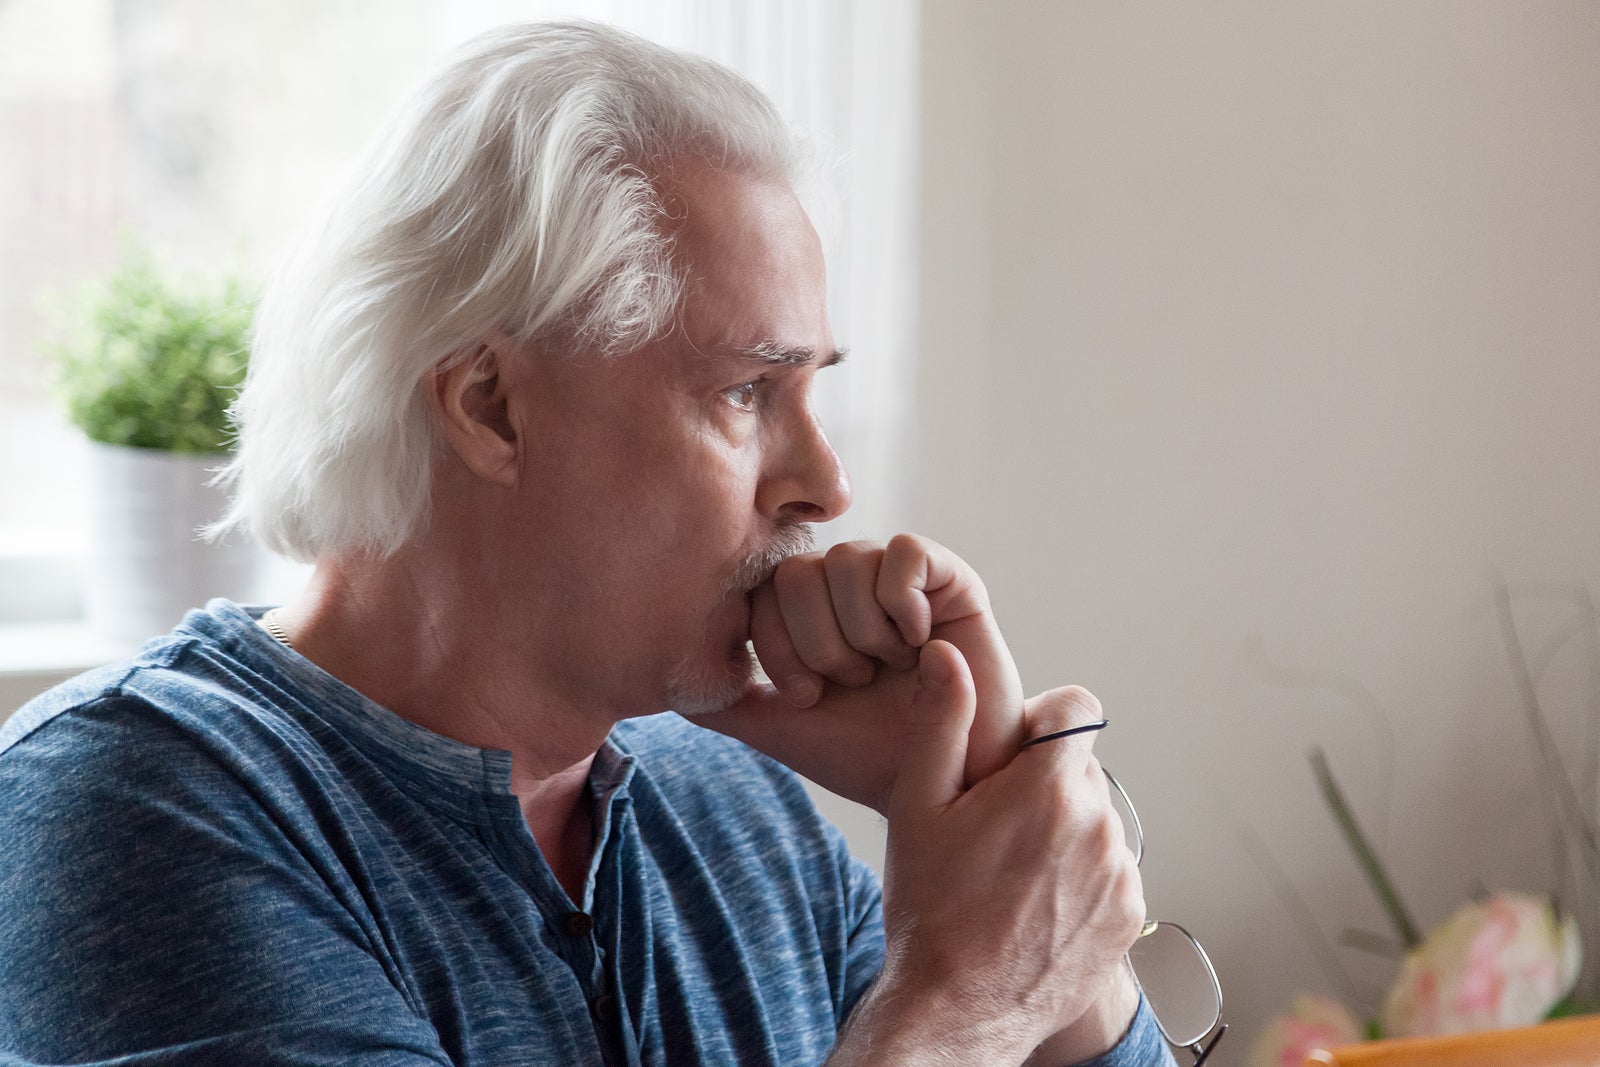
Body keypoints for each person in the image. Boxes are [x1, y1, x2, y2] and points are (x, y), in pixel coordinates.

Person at [0, 21, 1174, 1067]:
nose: (827, 483)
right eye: (747, 392)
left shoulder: (730, 798)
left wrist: (1002, 849)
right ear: (491, 407)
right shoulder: (128, 809)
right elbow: (949, 1016)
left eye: (812, 390)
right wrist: (961, 1001)